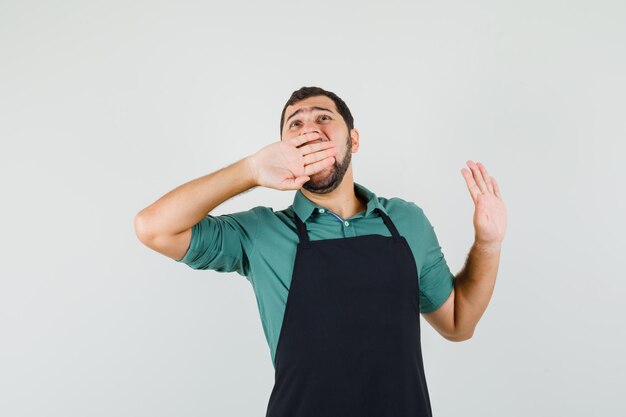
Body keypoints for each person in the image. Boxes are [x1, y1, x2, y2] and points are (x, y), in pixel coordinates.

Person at [134, 86, 508, 416]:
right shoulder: (262, 233)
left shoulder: (407, 221)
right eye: (294, 123)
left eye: (323, 118)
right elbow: (153, 227)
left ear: (354, 140)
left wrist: (489, 242)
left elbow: (459, 322)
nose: (308, 128)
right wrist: (250, 170)